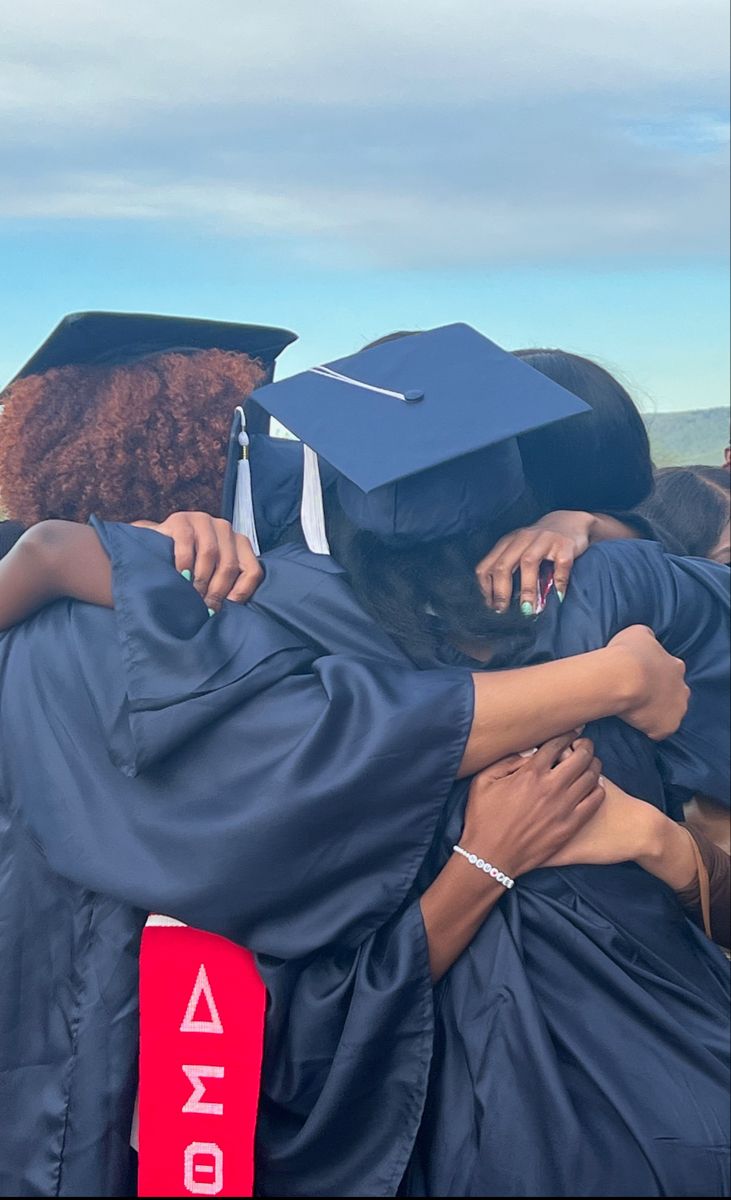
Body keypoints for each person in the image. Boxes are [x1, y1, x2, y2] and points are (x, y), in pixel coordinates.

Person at [0, 325, 728, 1196]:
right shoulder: (624, 592)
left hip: (158, 1068)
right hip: (671, 1073)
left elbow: (320, 962)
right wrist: (614, 672)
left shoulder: (272, 626)